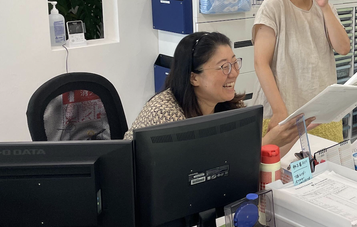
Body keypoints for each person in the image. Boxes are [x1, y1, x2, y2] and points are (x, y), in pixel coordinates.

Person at [125, 31, 306, 147]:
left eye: (235, 63)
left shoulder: (229, 104)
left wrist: (290, 136)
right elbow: (197, 170)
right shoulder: (166, 114)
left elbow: (241, 155)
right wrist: (268, 143)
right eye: (224, 67)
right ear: (194, 77)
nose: (234, 73)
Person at [251, 0, 351, 144]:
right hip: (284, 113)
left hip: (322, 114)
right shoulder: (273, 6)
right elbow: (261, 63)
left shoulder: (326, 7)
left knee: (326, 162)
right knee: (283, 164)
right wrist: (280, 112)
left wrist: (324, 7)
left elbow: (343, 48)